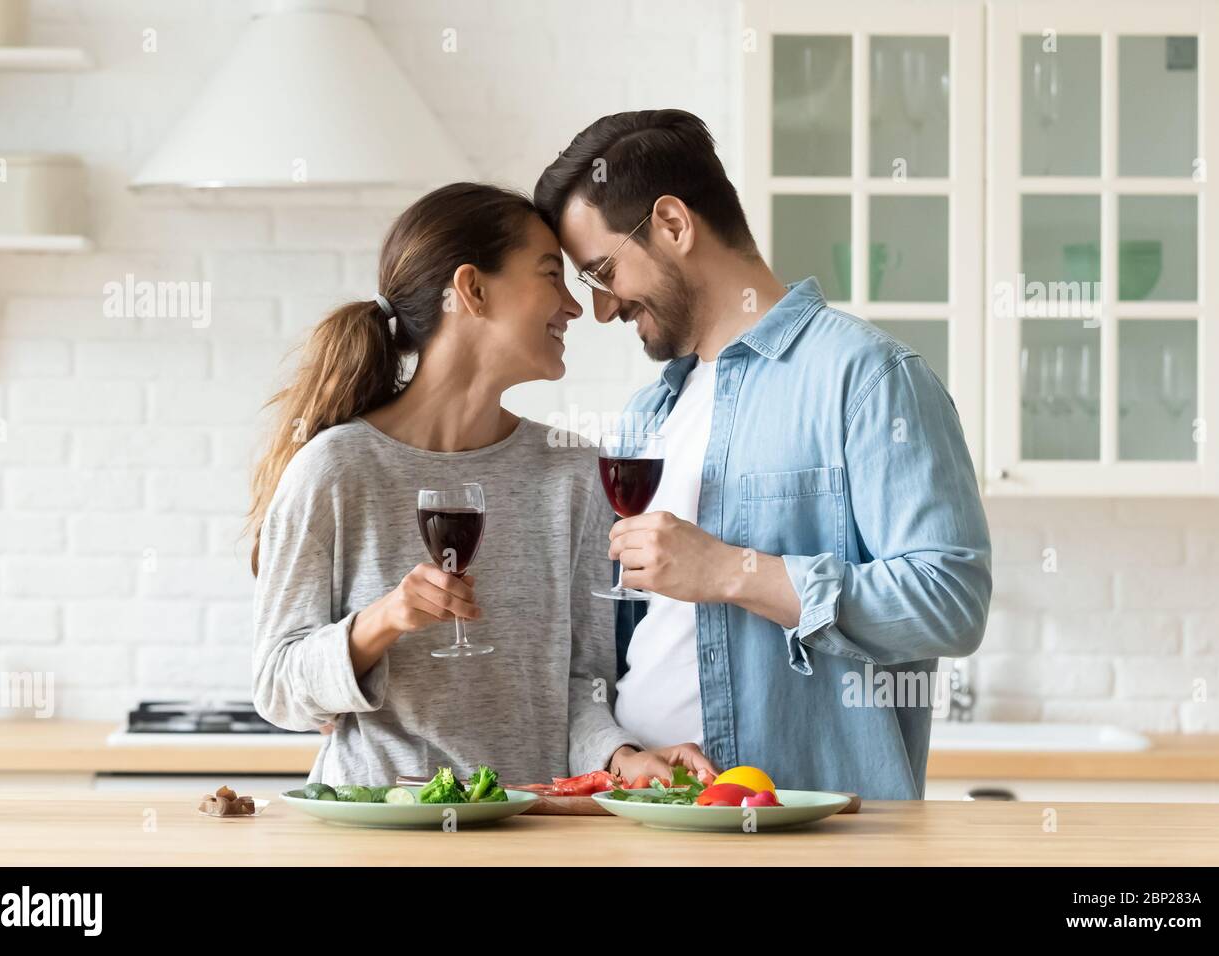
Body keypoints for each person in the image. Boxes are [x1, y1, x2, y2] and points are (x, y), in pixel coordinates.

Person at [534, 110, 992, 799]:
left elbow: (950, 601)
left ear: (673, 224)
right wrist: (620, 752)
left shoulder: (867, 379)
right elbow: (604, 653)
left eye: (603, 272)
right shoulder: (645, 418)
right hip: (645, 820)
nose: (602, 310)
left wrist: (730, 571)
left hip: (808, 832)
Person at [247, 182, 705, 787]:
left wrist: (622, 757)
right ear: (472, 289)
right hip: (377, 832)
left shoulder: (573, 474)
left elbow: (580, 685)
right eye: (550, 275)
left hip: (532, 832)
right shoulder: (336, 469)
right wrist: (386, 619)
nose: (574, 307)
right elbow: (278, 687)